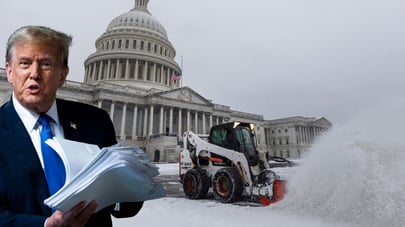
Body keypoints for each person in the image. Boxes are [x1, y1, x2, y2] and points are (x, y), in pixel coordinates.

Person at [0, 25, 143, 227]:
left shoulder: (96, 122)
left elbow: (122, 205)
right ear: (9, 71)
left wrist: (132, 186)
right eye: (24, 63)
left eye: (46, 64)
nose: (34, 74)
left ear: (62, 75)